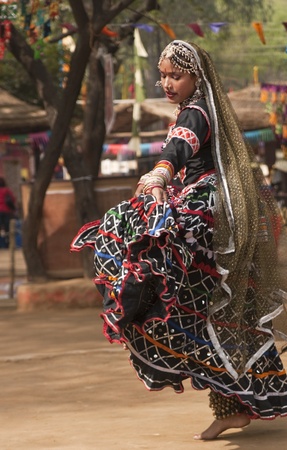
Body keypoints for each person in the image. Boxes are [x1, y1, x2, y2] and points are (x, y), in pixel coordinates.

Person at [71, 41, 287, 440]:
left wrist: (159, 176)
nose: (167, 82)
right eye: (164, 74)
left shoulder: (196, 112)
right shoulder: (205, 108)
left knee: (135, 243)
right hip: (218, 215)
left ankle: (139, 308)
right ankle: (230, 407)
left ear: (196, 77)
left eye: (176, 75)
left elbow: (179, 146)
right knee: (219, 315)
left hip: (204, 217)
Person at [0, 176, 16, 248]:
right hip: (6, 211)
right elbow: (12, 199)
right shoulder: (7, 190)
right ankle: (8, 244)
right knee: (8, 228)